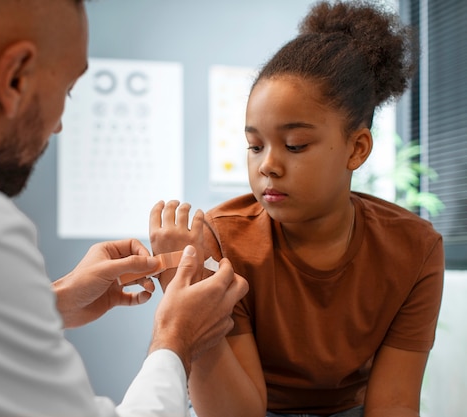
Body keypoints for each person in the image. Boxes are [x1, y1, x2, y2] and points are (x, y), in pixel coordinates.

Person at [0, 0, 249, 416]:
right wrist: (176, 339)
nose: (58, 125)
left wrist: (48, 303)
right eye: (67, 91)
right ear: (16, 76)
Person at [150, 1, 444, 416]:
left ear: (356, 149)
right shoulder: (223, 238)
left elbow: (393, 404)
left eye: (295, 146)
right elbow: (238, 413)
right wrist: (190, 296)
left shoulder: (415, 247)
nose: (267, 164)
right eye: (254, 146)